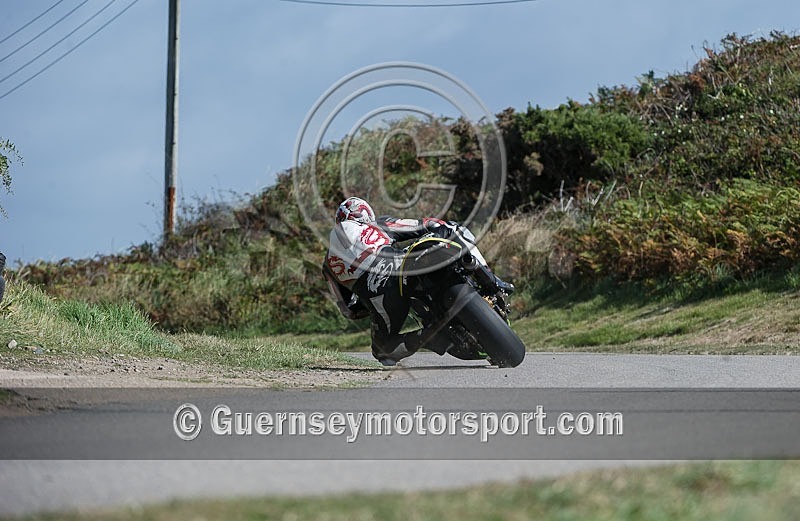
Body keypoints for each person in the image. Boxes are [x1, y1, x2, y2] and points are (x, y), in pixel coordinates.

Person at [323, 197, 513, 366]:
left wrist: (369, 301)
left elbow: (349, 310)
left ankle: (429, 334)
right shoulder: (377, 225)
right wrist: (436, 232)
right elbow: (426, 224)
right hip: (400, 267)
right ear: (366, 215)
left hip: (380, 299)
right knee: (454, 227)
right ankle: (492, 281)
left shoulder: (328, 264)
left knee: (383, 350)